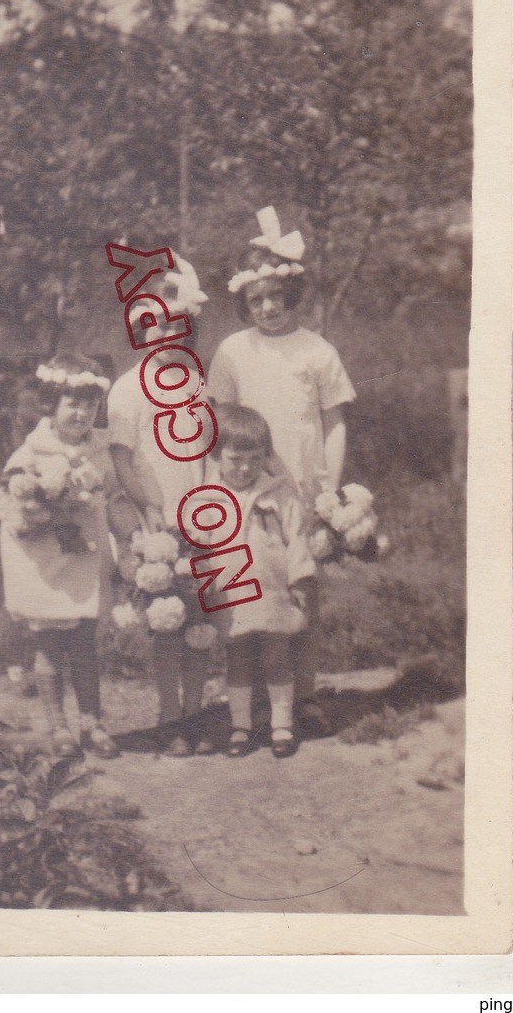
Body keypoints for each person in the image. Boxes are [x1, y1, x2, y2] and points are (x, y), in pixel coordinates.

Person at [207, 206, 356, 716]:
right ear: (245, 305)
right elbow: (217, 423)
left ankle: (304, 694)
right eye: (257, 300)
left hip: (303, 489)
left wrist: (328, 489)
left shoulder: (317, 351)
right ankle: (249, 699)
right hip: (246, 488)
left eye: (276, 297)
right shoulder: (232, 351)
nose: (268, 308)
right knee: (247, 589)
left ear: (292, 295)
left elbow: (335, 424)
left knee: (302, 590)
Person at [108, 255, 214, 757]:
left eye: (177, 327)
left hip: (201, 518)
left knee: (201, 619)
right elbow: (123, 461)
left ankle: (196, 709)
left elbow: (209, 449)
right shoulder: (128, 389)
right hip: (158, 522)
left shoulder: (195, 383)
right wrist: (146, 510)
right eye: (155, 327)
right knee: (166, 621)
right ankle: (169, 712)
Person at [0, 352, 120, 760]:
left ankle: (92, 723)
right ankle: (57, 726)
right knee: (48, 644)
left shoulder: (99, 451)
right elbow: (7, 501)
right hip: (45, 562)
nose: (82, 413)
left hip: (84, 560)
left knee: (84, 643)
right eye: (73, 404)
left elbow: (113, 497)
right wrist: (35, 510)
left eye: (90, 404)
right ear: (52, 406)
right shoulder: (31, 452)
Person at [187, 404, 317, 758]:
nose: (245, 468)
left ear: (265, 457)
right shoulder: (207, 498)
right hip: (231, 594)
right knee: (239, 660)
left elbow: (297, 542)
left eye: (254, 459)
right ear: (217, 456)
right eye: (235, 459)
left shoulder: (279, 495)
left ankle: (282, 725)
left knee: (277, 657)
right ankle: (241, 725)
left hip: (273, 593)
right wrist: (204, 590)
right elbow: (200, 548)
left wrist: (300, 583)